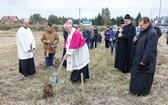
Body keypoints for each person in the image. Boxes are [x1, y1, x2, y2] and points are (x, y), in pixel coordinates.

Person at [129, 17, 158, 96]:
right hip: (138, 58)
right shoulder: (143, 31)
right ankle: (135, 90)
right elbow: (139, 42)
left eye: (141, 25)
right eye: (139, 25)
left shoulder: (152, 33)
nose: (140, 27)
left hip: (145, 62)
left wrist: (144, 61)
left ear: (147, 23)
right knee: (137, 76)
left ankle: (141, 92)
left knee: (143, 78)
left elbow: (150, 49)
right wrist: (135, 41)